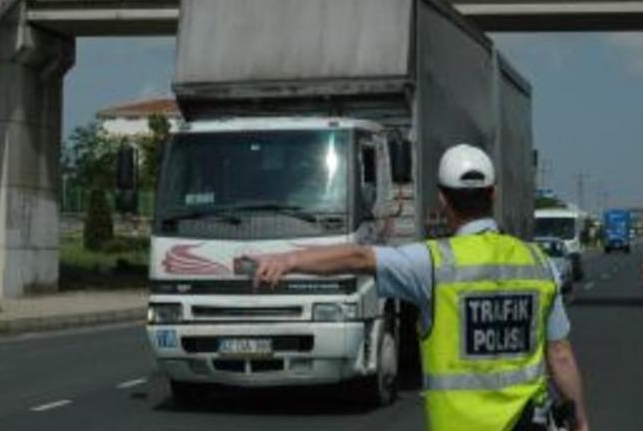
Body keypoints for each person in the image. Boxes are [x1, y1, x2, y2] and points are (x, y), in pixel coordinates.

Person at [252, 144, 589, 431]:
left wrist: (290, 260)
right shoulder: (537, 262)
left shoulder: (432, 264)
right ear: (493, 193)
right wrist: (581, 422)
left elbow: (358, 257)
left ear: (443, 200)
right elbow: (560, 355)